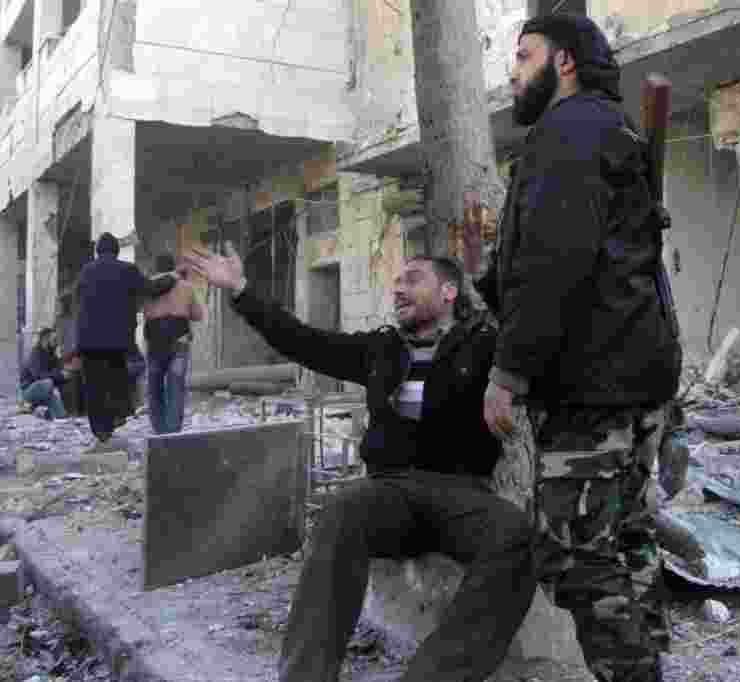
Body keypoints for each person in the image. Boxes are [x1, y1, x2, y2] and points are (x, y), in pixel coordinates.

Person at [185, 242, 536, 682]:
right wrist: (240, 289)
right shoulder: (380, 349)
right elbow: (302, 341)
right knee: (339, 513)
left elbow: (532, 338)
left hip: (461, 493)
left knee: (516, 535)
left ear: (449, 292)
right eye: (396, 282)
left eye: (412, 279)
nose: (398, 289)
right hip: (388, 491)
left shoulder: (487, 344)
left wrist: (491, 274)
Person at [467, 13, 682, 682]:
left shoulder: (566, 134)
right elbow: (606, 265)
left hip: (593, 389)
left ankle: (633, 674)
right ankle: (647, 666)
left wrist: (508, 371)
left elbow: (553, 266)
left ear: (563, 62)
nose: (512, 71)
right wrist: (486, 274)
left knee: (576, 556)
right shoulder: (612, 133)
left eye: (524, 56)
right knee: (628, 538)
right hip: (638, 380)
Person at [75, 233, 177, 444]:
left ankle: (101, 432)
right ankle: (117, 416)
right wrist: (171, 279)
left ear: (98, 251)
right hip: (115, 340)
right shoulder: (126, 269)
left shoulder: (86, 271)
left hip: (88, 340)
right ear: (116, 250)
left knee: (94, 385)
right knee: (117, 377)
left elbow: (78, 299)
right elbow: (150, 289)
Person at [143, 253, 205, 434]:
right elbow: (198, 315)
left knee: (154, 386)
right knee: (176, 387)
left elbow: (139, 310)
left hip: (155, 343)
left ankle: (159, 429)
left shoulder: (147, 287)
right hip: (179, 341)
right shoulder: (185, 286)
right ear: (173, 268)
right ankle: (172, 431)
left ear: (156, 268)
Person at [19, 328, 70, 420]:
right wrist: (59, 375)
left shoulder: (52, 354)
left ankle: (36, 409)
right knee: (47, 382)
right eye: (54, 339)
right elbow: (38, 375)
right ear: (45, 339)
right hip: (29, 390)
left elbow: (59, 373)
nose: (56, 342)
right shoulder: (36, 353)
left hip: (47, 391)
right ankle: (27, 403)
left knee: (61, 415)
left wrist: (63, 371)